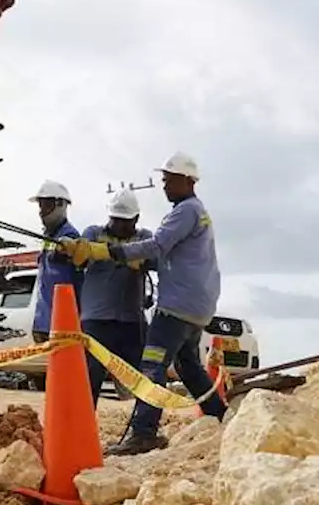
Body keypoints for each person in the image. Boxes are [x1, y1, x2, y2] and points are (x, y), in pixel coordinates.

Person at [59, 152, 225, 456]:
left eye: (168, 180)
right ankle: (220, 414)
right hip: (195, 307)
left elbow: (158, 247)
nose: (163, 186)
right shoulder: (195, 211)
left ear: (187, 181)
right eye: (163, 180)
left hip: (174, 307)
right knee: (187, 365)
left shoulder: (184, 212)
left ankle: (144, 433)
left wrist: (114, 253)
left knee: (151, 366)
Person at [73, 188, 153, 409]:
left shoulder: (144, 238)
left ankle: (141, 429)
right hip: (96, 321)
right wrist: (76, 251)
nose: (119, 225)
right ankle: (84, 427)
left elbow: (155, 258)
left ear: (136, 219)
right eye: (115, 220)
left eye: (125, 221)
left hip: (131, 321)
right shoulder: (93, 234)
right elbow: (78, 260)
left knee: (142, 380)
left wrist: (132, 256)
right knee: (90, 377)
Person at [28, 181, 82, 343]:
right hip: (44, 320)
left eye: (46, 205)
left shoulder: (71, 237)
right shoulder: (48, 237)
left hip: (64, 323)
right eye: (40, 206)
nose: (41, 212)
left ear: (60, 205)